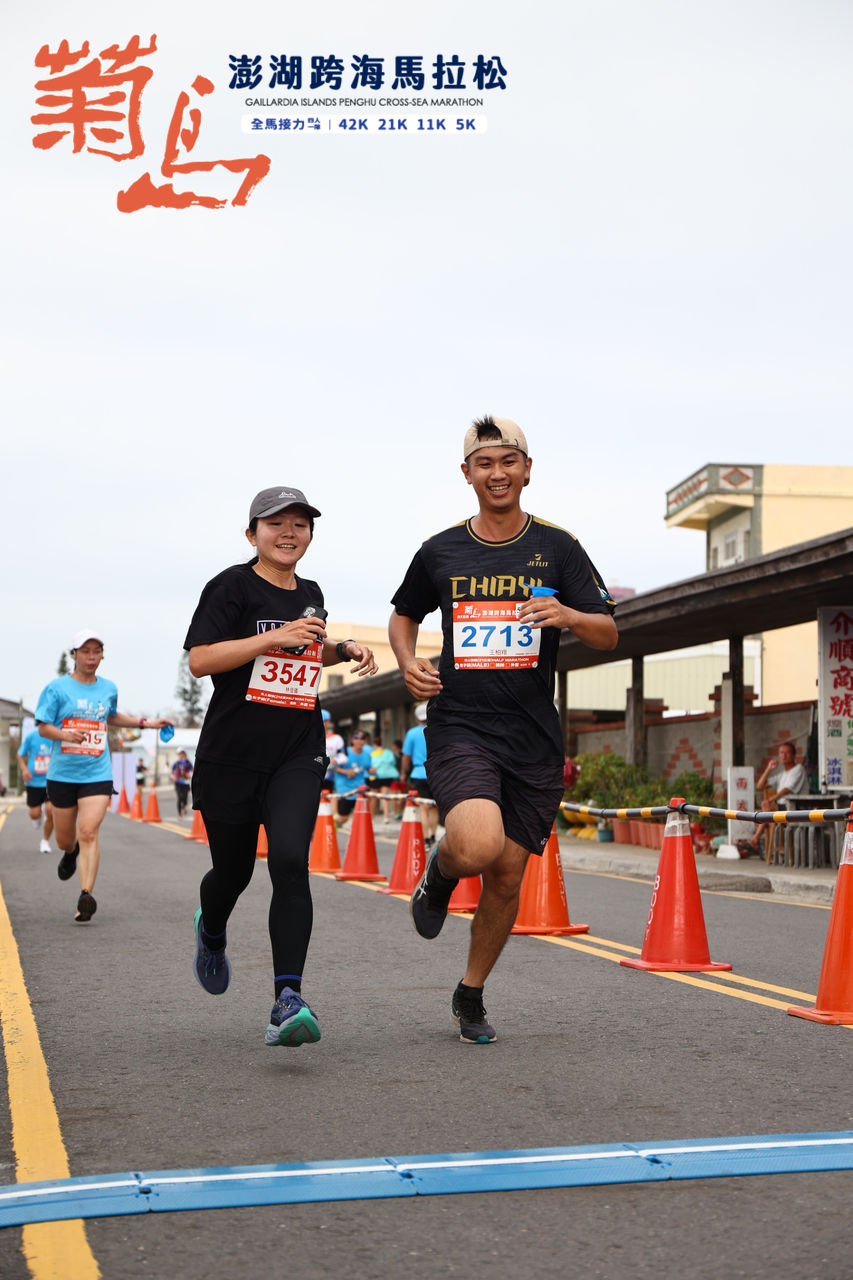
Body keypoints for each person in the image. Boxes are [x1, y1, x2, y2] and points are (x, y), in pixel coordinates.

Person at [389, 416, 618, 1043]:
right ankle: (440, 873)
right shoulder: (440, 551)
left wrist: (568, 613)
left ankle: (470, 993)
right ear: (466, 473)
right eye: (485, 463)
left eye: (508, 461)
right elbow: (404, 615)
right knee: (476, 845)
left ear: (527, 469)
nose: (498, 473)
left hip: (533, 737)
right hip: (461, 724)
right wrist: (408, 662)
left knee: (508, 876)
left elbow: (607, 632)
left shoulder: (559, 547)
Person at [184, 485, 377, 1048]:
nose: (289, 533)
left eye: (300, 524)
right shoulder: (230, 586)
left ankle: (287, 999)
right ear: (252, 534)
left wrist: (342, 648)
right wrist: (273, 638)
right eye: (276, 523)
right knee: (234, 873)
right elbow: (201, 660)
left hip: (297, 749)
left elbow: (304, 651)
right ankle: (211, 930)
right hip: (232, 755)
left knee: (291, 861)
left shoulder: (311, 593)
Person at [34, 630, 172, 923]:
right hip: (62, 775)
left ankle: (85, 896)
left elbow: (111, 716)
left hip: (96, 771)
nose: (91, 657)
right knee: (65, 839)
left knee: (88, 832)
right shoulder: (56, 689)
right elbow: (43, 726)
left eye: (97, 652)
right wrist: (65, 734)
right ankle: (69, 853)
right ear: (74, 655)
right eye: (86, 652)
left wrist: (147, 724)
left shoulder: (108, 688)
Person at [736, 740, 808, 857]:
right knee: (766, 809)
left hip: (797, 808)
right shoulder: (783, 774)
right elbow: (760, 786)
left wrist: (771, 800)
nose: (784, 755)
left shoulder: (798, 769)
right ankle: (756, 840)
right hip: (783, 808)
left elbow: (787, 789)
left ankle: (755, 839)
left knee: (766, 807)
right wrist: (768, 769)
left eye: (787, 753)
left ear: (794, 755)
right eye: (781, 753)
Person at [400, 704, 438, 848]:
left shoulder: (412, 733)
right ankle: (433, 836)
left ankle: (426, 838)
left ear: (416, 718)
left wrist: (403, 772)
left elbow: (406, 755)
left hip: (419, 772)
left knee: (423, 807)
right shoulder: (436, 730)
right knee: (434, 806)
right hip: (436, 772)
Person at [17, 726, 56, 853]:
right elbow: (20, 754)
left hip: (51, 780)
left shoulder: (56, 736)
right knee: (34, 814)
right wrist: (24, 769)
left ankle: (45, 841)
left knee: (51, 812)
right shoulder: (31, 736)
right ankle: (38, 816)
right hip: (34, 781)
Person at [330, 728, 374, 830]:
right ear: (352, 739)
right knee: (343, 818)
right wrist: (346, 772)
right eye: (356, 737)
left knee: (362, 817)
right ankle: (331, 828)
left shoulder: (367, 755)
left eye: (362, 738)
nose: (359, 740)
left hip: (360, 790)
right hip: (345, 790)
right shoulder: (345, 752)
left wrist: (372, 770)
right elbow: (334, 768)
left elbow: (368, 768)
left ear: (365, 741)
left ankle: (357, 836)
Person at [171, 749, 193, 818]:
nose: (181, 755)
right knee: (179, 798)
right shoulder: (176, 763)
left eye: (182, 753)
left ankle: (184, 805)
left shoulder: (188, 762)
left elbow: (192, 771)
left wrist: (189, 775)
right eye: (180, 754)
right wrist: (173, 778)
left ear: (184, 754)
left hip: (186, 783)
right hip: (178, 783)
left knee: (185, 797)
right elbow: (171, 773)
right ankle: (179, 814)